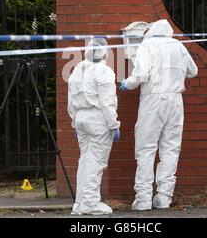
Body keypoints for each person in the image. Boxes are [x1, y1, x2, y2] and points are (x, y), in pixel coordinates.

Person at [119, 19, 198, 210]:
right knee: (171, 148)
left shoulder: (147, 45)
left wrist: (127, 83)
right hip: (176, 101)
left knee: (146, 148)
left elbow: (141, 74)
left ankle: (144, 198)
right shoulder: (178, 46)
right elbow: (193, 71)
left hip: (153, 100)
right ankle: (164, 197)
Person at [67, 38, 120, 215]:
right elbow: (107, 102)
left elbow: (70, 102)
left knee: (85, 159)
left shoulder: (76, 70)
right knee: (96, 161)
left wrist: (75, 122)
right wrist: (114, 124)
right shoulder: (104, 71)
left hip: (81, 117)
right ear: (105, 52)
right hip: (98, 118)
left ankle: (80, 202)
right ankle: (90, 202)